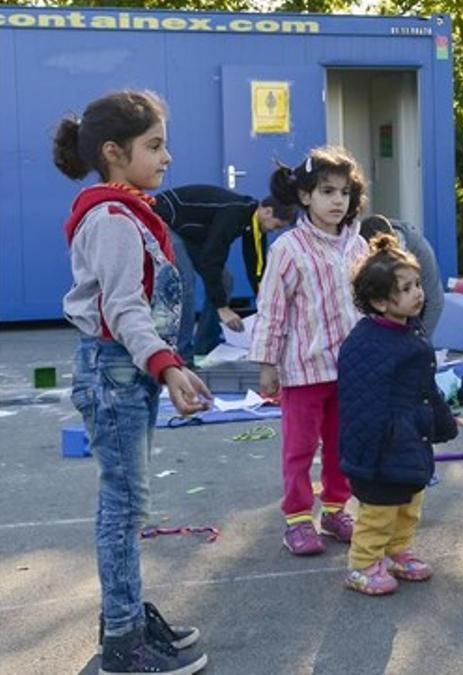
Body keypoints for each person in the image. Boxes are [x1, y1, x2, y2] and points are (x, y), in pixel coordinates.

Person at [55, 90, 210, 674]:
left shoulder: (127, 211)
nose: (166, 157)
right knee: (123, 509)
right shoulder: (113, 219)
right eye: (155, 145)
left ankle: (128, 617)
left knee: (129, 505)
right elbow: (123, 309)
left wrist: (166, 364)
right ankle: (122, 641)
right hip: (114, 373)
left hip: (126, 374)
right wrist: (166, 366)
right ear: (115, 153)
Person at [249, 146, 368, 556]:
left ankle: (335, 510)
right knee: (299, 448)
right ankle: (298, 518)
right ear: (305, 197)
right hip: (302, 371)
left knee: (342, 446)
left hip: (350, 370)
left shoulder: (358, 245)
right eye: (327, 191)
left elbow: (369, 303)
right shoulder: (288, 248)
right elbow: (272, 310)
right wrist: (267, 365)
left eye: (344, 193)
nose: (337, 201)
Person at [337, 233, 458, 595]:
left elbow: (424, 387)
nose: (418, 293)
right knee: (379, 508)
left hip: (411, 437)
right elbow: (361, 403)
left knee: (409, 501)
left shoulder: (412, 332)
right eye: (406, 289)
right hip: (380, 445)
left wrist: (441, 422)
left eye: (417, 284)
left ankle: (398, 550)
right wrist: (365, 455)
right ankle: (362, 563)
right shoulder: (366, 343)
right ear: (379, 300)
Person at [151, 185, 296, 364]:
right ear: (267, 211)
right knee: (185, 280)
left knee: (225, 280)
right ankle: (182, 355)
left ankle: (204, 347)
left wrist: (264, 302)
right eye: (277, 226)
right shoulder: (234, 213)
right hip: (163, 220)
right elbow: (212, 258)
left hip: (189, 231)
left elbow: (256, 265)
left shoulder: (253, 222)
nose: (274, 231)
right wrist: (222, 308)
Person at [359, 215, 445, 333]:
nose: (417, 293)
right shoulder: (356, 252)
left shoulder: (419, 250)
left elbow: (435, 301)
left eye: (417, 284)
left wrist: (422, 340)